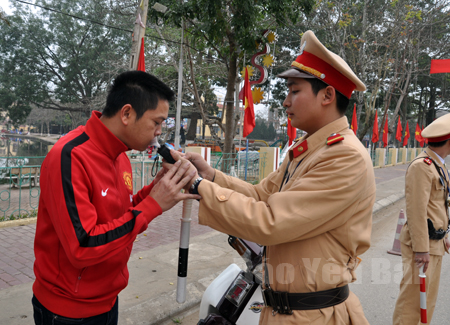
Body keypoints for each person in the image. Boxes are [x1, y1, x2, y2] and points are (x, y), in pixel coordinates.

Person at [170, 30, 376, 324]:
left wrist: (198, 186)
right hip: (282, 310)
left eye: (294, 91)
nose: (286, 102)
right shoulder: (309, 150)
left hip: (312, 315)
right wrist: (211, 175)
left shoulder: (344, 157)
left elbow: (270, 221)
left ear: (327, 95)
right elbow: (260, 195)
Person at [32, 71, 200, 325]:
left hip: (108, 299)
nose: (158, 134)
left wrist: (157, 188)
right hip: (68, 309)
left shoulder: (120, 155)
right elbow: (83, 244)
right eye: (156, 122)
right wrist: (153, 205)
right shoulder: (69, 156)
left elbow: (122, 211)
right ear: (127, 113)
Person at [393, 113, 450, 324]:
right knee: (412, 301)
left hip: (434, 242)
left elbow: (438, 205)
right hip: (423, 245)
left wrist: (443, 235)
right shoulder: (422, 166)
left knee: (428, 300)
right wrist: (421, 249)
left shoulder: (438, 164)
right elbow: (416, 211)